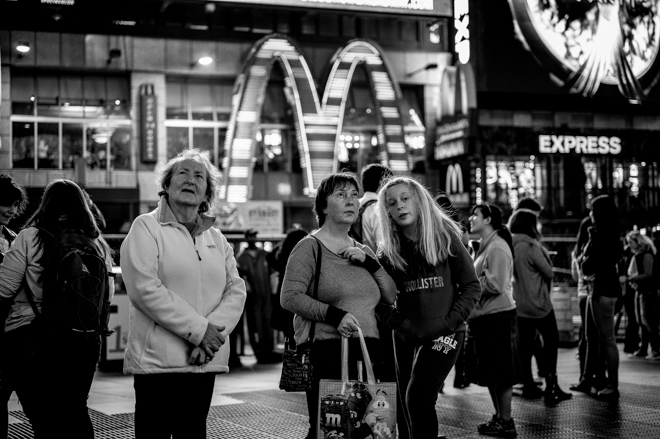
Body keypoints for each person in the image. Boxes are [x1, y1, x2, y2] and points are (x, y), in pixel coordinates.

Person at [120, 149, 247, 439]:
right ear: (166, 185)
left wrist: (210, 338)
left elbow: (235, 290)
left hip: (203, 362)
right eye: (183, 173)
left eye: (199, 176)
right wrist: (200, 331)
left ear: (207, 193)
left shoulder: (216, 237)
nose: (191, 179)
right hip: (158, 366)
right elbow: (144, 289)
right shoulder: (146, 227)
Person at [280, 172, 397, 439]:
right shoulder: (309, 248)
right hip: (327, 351)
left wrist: (370, 263)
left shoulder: (364, 251)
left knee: (369, 430)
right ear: (323, 206)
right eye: (341, 195)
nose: (351, 201)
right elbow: (289, 297)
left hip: (370, 350)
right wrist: (335, 315)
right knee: (330, 430)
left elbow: (390, 296)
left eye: (354, 195)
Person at [0, 179, 114, 439]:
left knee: (45, 420)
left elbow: (3, 289)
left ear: (46, 205)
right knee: (76, 410)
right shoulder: (97, 244)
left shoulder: (30, 238)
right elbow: (106, 293)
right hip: (85, 340)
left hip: (33, 339)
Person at [375, 177, 481, 439]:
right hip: (407, 336)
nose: (399, 206)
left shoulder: (445, 236)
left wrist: (448, 323)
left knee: (418, 399)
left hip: (446, 334)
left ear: (418, 200)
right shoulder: (389, 250)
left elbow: (471, 287)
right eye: (392, 203)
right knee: (402, 404)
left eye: (405, 198)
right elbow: (377, 300)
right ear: (386, 210)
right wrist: (401, 324)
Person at [509, 209, 572, 405]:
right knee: (551, 340)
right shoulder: (529, 245)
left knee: (525, 346)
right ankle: (551, 385)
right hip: (539, 304)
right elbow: (548, 272)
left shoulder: (509, 244)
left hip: (520, 304)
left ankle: (528, 383)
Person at [468, 203, 519, 439]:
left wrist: (470, 286)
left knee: (500, 370)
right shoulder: (486, 246)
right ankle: (499, 417)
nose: (471, 218)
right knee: (490, 370)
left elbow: (497, 284)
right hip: (485, 316)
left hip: (497, 316)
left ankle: (506, 420)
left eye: (475, 215)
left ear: (488, 220)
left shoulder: (497, 247)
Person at [573, 195, 622, 400]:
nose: (590, 214)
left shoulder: (599, 235)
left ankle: (612, 384)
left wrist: (587, 248)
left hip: (600, 288)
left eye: (593, 210)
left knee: (606, 339)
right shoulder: (614, 234)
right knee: (601, 338)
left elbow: (586, 264)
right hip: (607, 286)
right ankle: (604, 381)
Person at [0, 174, 28, 439]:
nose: (12, 210)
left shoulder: (16, 238)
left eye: (15, 205)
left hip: (12, 330)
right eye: (6, 204)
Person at [237, 228, 279, 363]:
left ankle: (269, 351)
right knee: (254, 323)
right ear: (246, 238)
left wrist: (273, 293)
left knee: (268, 322)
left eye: (254, 236)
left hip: (266, 295)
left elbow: (273, 275)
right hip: (252, 297)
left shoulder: (264, 254)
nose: (252, 239)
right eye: (250, 236)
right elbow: (239, 276)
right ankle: (259, 353)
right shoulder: (241, 258)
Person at [266, 226, 309, 339]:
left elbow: (270, 258)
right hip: (302, 299)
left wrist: (279, 246)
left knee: (288, 333)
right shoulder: (306, 258)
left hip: (284, 300)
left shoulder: (284, 260)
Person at [624, 230, 660, 361]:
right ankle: (644, 348)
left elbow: (648, 274)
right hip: (641, 290)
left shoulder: (646, 255)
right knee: (641, 321)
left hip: (648, 291)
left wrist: (630, 279)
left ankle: (655, 349)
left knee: (649, 321)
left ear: (638, 242)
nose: (629, 245)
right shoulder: (639, 255)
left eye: (631, 242)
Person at [354, 163, 393, 253]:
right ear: (384, 184)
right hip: (373, 263)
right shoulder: (378, 209)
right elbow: (384, 249)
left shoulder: (356, 205)